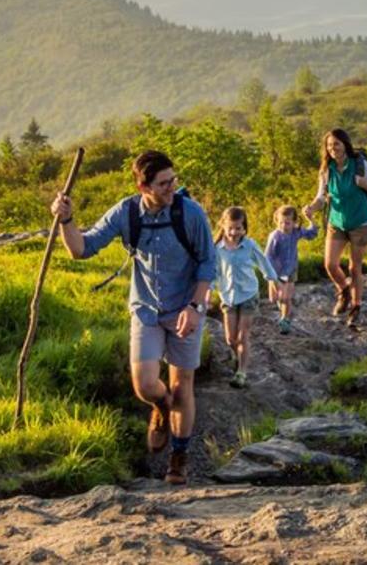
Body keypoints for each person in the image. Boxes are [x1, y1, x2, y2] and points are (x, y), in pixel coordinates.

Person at [51, 150, 215, 485]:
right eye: (164, 183)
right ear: (143, 186)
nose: (172, 188)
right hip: (146, 310)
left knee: (182, 384)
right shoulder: (126, 212)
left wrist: (195, 307)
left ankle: (179, 457)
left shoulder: (191, 214)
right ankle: (161, 408)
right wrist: (67, 220)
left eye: (174, 180)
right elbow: (81, 249)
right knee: (144, 385)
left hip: (185, 307)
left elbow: (207, 264)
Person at [306, 128, 367, 328]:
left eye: (336, 144)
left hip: (361, 221)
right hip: (336, 221)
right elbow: (322, 197)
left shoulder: (360, 164)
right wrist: (312, 207)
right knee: (330, 264)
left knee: (355, 267)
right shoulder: (326, 169)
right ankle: (344, 291)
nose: (332, 148)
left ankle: (356, 306)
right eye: (329, 145)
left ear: (345, 144)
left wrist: (365, 184)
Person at [213, 206, 282, 389]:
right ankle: (236, 356)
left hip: (248, 295)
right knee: (230, 338)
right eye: (231, 228)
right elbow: (214, 271)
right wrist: (207, 291)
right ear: (224, 226)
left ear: (244, 228)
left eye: (239, 228)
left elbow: (263, 262)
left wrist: (273, 281)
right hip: (228, 296)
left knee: (243, 336)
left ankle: (242, 372)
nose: (235, 232)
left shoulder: (249, 245)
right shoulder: (217, 249)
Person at [264, 205, 319, 334]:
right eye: (281, 222)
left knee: (287, 298)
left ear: (294, 222)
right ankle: (279, 300)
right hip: (276, 271)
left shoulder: (296, 232)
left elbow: (311, 234)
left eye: (287, 223)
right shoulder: (275, 236)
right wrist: (271, 277)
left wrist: (311, 220)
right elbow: (268, 256)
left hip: (291, 269)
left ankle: (285, 320)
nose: (284, 225)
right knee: (275, 299)